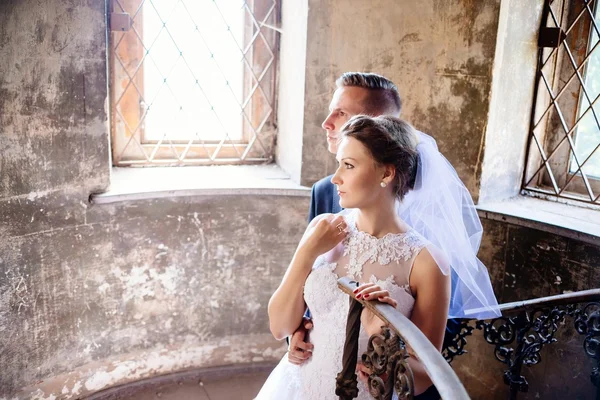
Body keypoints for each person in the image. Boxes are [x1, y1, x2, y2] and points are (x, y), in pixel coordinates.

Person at [257, 115, 449, 399]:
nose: (336, 177)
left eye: (348, 165)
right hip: (297, 385)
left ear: (386, 174)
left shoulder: (428, 262)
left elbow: (426, 374)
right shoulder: (323, 227)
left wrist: (383, 344)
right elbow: (279, 327)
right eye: (339, 164)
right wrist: (307, 253)